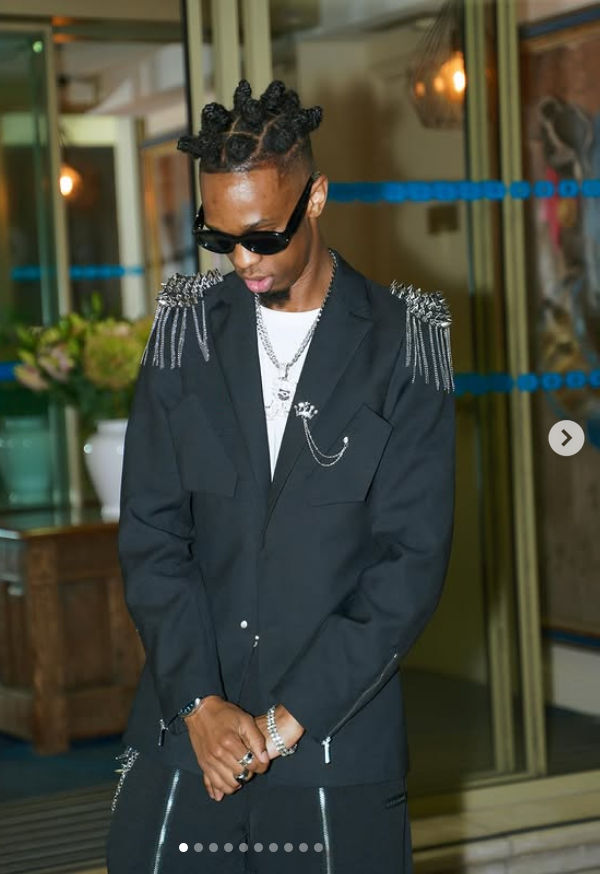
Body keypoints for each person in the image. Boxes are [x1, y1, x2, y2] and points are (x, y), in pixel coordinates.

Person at [108, 79, 456, 874]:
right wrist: (200, 703)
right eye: (218, 237)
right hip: (185, 743)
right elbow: (152, 534)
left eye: (263, 236)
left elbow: (410, 560)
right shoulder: (184, 326)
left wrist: (284, 724)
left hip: (336, 747)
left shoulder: (408, 337)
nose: (242, 260)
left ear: (316, 197)